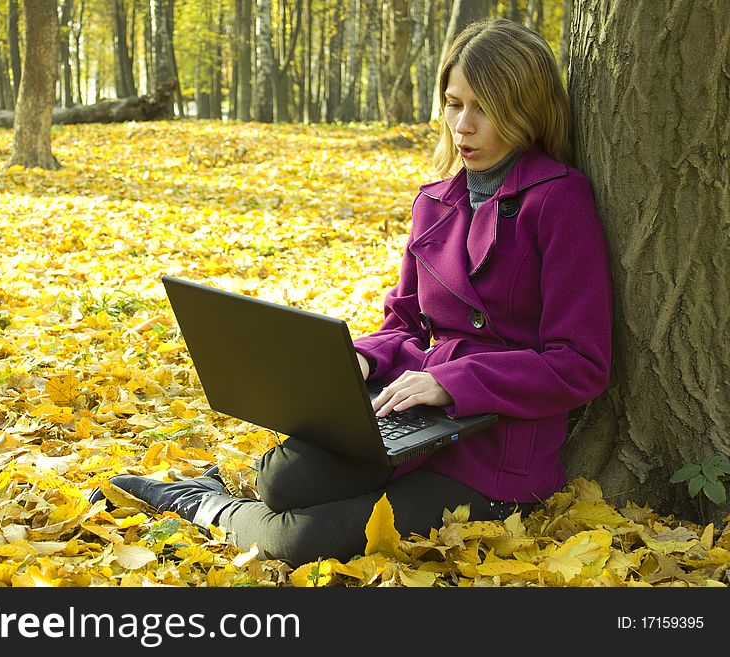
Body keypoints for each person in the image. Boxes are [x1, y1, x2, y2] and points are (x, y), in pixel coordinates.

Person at [87, 17, 613, 567]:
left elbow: (580, 363)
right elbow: (403, 323)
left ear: (525, 110)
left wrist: (448, 382)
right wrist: (358, 360)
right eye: (454, 104)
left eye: (484, 108)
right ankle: (244, 491)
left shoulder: (558, 200)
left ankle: (200, 503)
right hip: (411, 411)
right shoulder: (435, 200)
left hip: (499, 446)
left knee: (302, 542)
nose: (463, 126)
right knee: (283, 482)